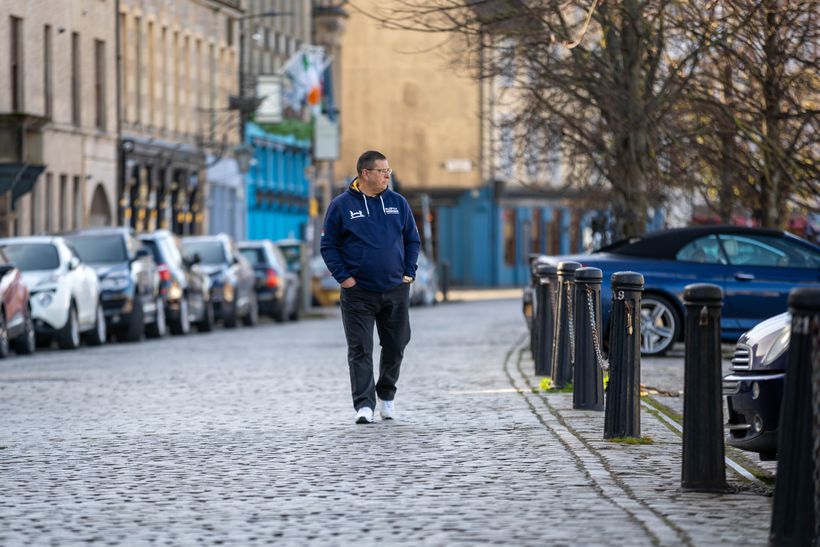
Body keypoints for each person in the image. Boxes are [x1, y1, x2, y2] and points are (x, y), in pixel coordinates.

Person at [320, 151, 420, 424]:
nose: (388, 175)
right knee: (360, 348)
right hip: (358, 293)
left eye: (389, 170)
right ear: (365, 173)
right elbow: (329, 246)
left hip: (395, 289)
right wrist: (344, 278)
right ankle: (364, 405)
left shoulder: (398, 203)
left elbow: (412, 240)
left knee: (397, 344)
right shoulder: (341, 206)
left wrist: (408, 273)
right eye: (382, 170)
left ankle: (387, 396)